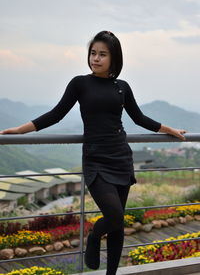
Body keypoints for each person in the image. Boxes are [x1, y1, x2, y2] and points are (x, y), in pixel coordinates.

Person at [0, 31, 186, 275]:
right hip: (96, 161)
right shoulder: (80, 83)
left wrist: (169, 129)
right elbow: (55, 114)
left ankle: (111, 273)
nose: (96, 58)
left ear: (114, 58)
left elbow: (139, 118)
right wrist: (20, 130)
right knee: (115, 216)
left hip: (121, 158)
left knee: (118, 225)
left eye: (102, 54)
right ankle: (94, 235)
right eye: (93, 53)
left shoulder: (122, 87)